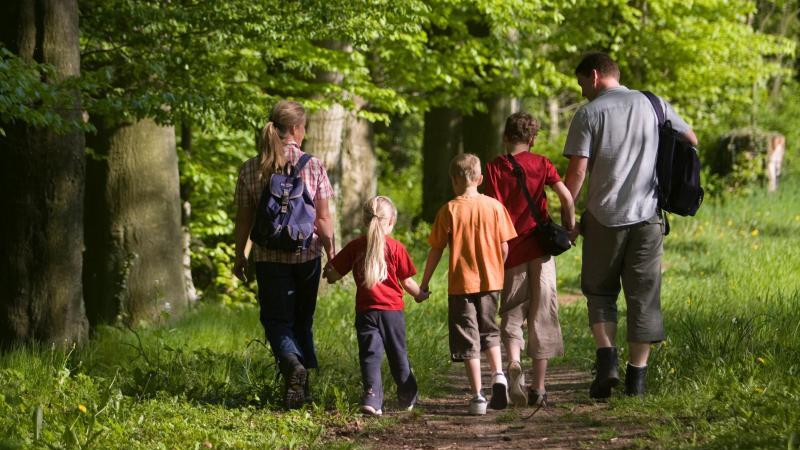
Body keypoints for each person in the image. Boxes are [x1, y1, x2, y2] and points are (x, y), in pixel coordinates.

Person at [563, 52, 698, 398]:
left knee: (600, 292)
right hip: (648, 217)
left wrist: (569, 217)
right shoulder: (654, 104)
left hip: (603, 218)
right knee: (644, 297)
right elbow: (691, 139)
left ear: (594, 76)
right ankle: (636, 380)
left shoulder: (588, 114)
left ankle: (607, 361)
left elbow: (577, 172)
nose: (581, 91)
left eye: (581, 83)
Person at [233, 100, 336, 409]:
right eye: (303, 127)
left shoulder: (251, 167)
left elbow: (244, 219)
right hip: (307, 255)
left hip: (268, 257)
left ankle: (292, 367)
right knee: (302, 319)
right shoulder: (313, 165)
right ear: (295, 129)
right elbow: (323, 219)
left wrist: (240, 256)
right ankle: (302, 383)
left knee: (277, 320)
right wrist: (333, 254)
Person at [484, 112, 576, 408]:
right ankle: (538, 387)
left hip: (510, 250)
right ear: (533, 139)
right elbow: (566, 197)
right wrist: (570, 228)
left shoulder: (495, 167)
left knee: (511, 311)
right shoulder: (542, 163)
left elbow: (493, 210)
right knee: (543, 313)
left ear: (504, 137)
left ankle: (513, 363)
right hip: (542, 249)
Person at [418, 153, 518, 415]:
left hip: (461, 285)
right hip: (491, 281)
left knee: (467, 338)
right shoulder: (495, 207)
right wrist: (497, 267)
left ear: (454, 181)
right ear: (480, 179)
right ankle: (498, 375)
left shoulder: (449, 209)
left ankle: (477, 397)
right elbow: (505, 246)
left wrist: (424, 283)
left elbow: (436, 250)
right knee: (490, 331)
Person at [322, 196, 428, 416]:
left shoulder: (356, 247)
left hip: (366, 311)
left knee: (370, 354)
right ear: (390, 222)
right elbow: (407, 281)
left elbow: (334, 273)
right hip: (392, 313)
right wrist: (420, 295)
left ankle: (372, 399)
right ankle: (407, 393)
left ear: (364, 221)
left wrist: (328, 273)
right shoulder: (396, 248)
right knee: (397, 352)